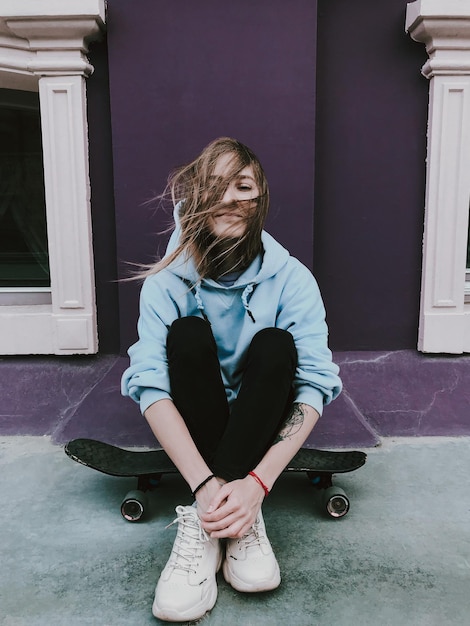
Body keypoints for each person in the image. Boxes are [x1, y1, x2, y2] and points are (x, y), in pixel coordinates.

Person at [121, 137, 342, 622]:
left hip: (260, 424)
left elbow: (314, 387)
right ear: (196, 198)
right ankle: (214, 519)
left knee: (276, 345)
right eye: (215, 186)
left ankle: (240, 512)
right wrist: (205, 487)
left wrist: (257, 485)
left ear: (261, 200)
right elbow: (151, 384)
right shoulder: (166, 283)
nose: (229, 199)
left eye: (243, 186)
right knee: (187, 334)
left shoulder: (293, 280)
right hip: (197, 427)